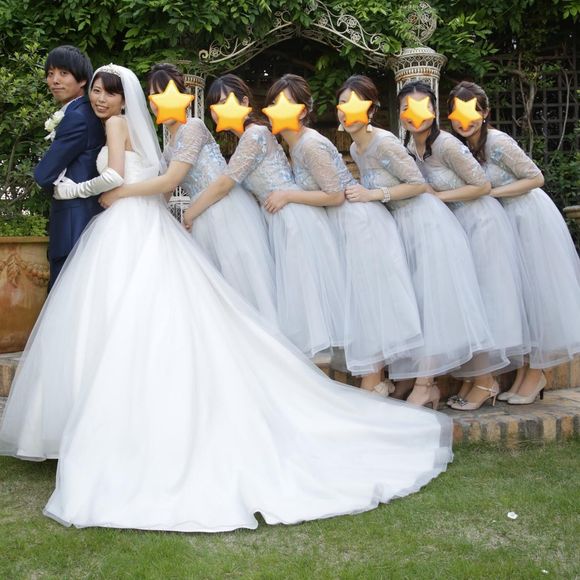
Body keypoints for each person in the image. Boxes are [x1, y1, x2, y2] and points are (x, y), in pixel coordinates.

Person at [0, 65, 452, 532]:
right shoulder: (157, 132)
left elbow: (179, 181)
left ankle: (344, 376)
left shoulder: (179, 128)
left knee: (230, 307)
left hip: (202, 216)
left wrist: (100, 192)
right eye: (151, 93)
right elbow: (163, 179)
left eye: (113, 91)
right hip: (162, 221)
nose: (107, 99)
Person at [338, 75, 500, 407]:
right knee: (418, 305)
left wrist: (374, 195)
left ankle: (427, 385)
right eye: (406, 108)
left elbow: (416, 185)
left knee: (434, 302)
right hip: (401, 227)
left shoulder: (391, 143)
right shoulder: (366, 146)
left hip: (427, 224)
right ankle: (416, 381)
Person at [264, 74, 423, 399]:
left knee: (368, 299)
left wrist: (288, 195)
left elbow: (334, 195)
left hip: (359, 224)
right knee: (360, 301)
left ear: (303, 110)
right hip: (344, 224)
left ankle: (374, 382)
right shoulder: (296, 144)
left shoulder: (310, 144)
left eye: (287, 103)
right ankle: (377, 380)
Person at [187, 74, 346, 359]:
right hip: (279, 217)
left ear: (245, 102)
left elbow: (225, 184)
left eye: (226, 101)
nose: (220, 109)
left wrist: (190, 214)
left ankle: (312, 372)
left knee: (304, 302)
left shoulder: (255, 135)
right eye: (215, 104)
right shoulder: (249, 138)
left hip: (292, 217)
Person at [109, 64, 277, 324]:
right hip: (202, 219)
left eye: (165, 92)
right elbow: (163, 192)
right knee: (216, 294)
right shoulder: (169, 146)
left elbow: (171, 180)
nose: (159, 101)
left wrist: (122, 192)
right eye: (153, 95)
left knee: (242, 285)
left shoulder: (193, 127)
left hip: (225, 209)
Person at [399, 81, 530, 411]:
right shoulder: (412, 146)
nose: (414, 114)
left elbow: (482, 185)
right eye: (406, 108)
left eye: (422, 106)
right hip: (454, 226)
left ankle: (486, 381)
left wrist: (439, 198)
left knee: (484, 299)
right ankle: (475, 379)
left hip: (480, 223)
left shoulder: (446, 144)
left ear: (434, 111)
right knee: (467, 300)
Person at [448, 81, 580, 404]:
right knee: (518, 297)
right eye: (457, 114)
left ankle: (537, 373)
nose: (464, 121)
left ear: (485, 113)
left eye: (472, 112)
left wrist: (493, 193)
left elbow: (535, 177)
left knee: (537, 295)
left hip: (527, 218)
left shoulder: (498, 142)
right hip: (501, 224)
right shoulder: (463, 148)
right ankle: (522, 373)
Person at [34, 45, 107, 290]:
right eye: (50, 73)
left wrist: (59, 188)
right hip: (84, 217)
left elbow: (43, 174)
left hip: (73, 221)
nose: (54, 80)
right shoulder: (83, 111)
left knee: (65, 294)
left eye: (63, 73)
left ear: (82, 79)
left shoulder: (77, 116)